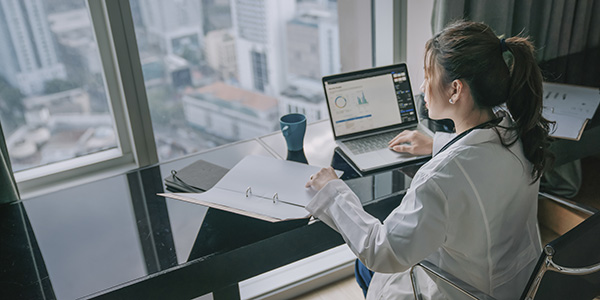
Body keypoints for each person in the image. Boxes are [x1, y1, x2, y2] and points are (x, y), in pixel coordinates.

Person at [304, 20, 553, 299]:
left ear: (455, 89)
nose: (422, 87)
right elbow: (480, 158)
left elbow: (381, 252)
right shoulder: (518, 132)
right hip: (522, 285)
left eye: (428, 75)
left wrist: (333, 193)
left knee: (364, 267)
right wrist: (436, 142)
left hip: (469, 292)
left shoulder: (438, 178)